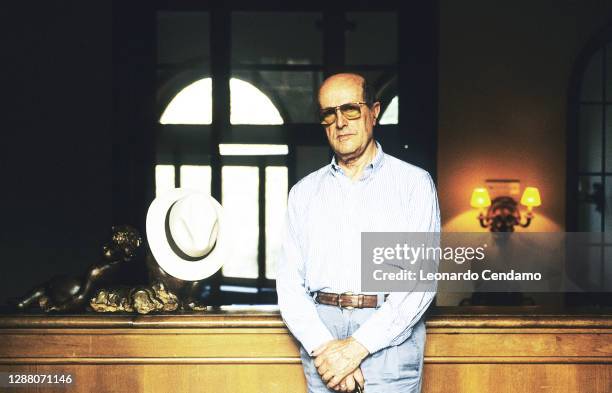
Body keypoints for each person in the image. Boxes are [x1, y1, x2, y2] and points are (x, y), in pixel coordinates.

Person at [276, 73, 440, 393]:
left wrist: (356, 348)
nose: (340, 122)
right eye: (329, 113)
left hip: (389, 340)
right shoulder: (303, 193)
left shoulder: (414, 185)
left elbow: (419, 282)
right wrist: (326, 347)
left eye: (350, 109)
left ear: (374, 112)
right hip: (321, 338)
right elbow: (288, 284)